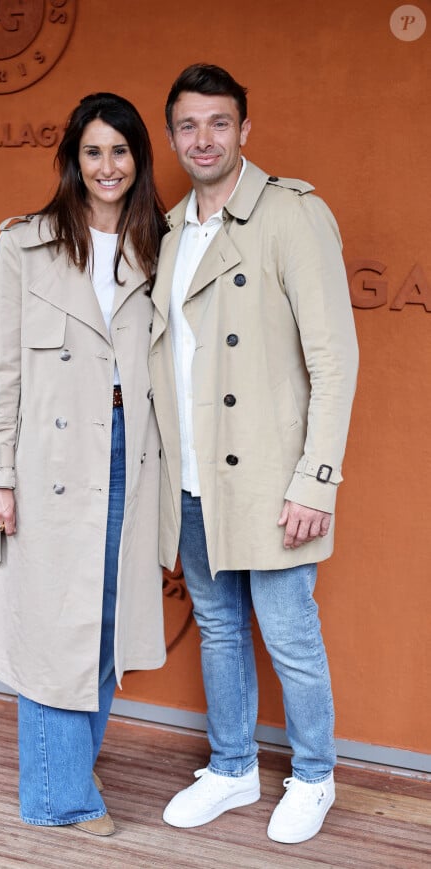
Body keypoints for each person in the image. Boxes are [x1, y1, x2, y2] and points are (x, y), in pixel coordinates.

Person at [149, 64, 359, 844]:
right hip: (196, 476)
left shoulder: (291, 215)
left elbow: (334, 360)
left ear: (246, 129)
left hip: (273, 477)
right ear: (173, 137)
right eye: (188, 126)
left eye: (219, 123)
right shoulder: (170, 230)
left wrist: (317, 480)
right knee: (219, 627)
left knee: (288, 631)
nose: (203, 139)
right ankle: (233, 766)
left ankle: (314, 775)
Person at [0, 93, 167, 837]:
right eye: (93, 151)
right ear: (72, 161)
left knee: (106, 617)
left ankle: (70, 762)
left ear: (139, 160)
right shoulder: (26, 245)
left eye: (120, 151)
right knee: (54, 618)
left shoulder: (162, 243)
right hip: (50, 456)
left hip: (130, 452)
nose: (107, 166)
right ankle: (59, 795)